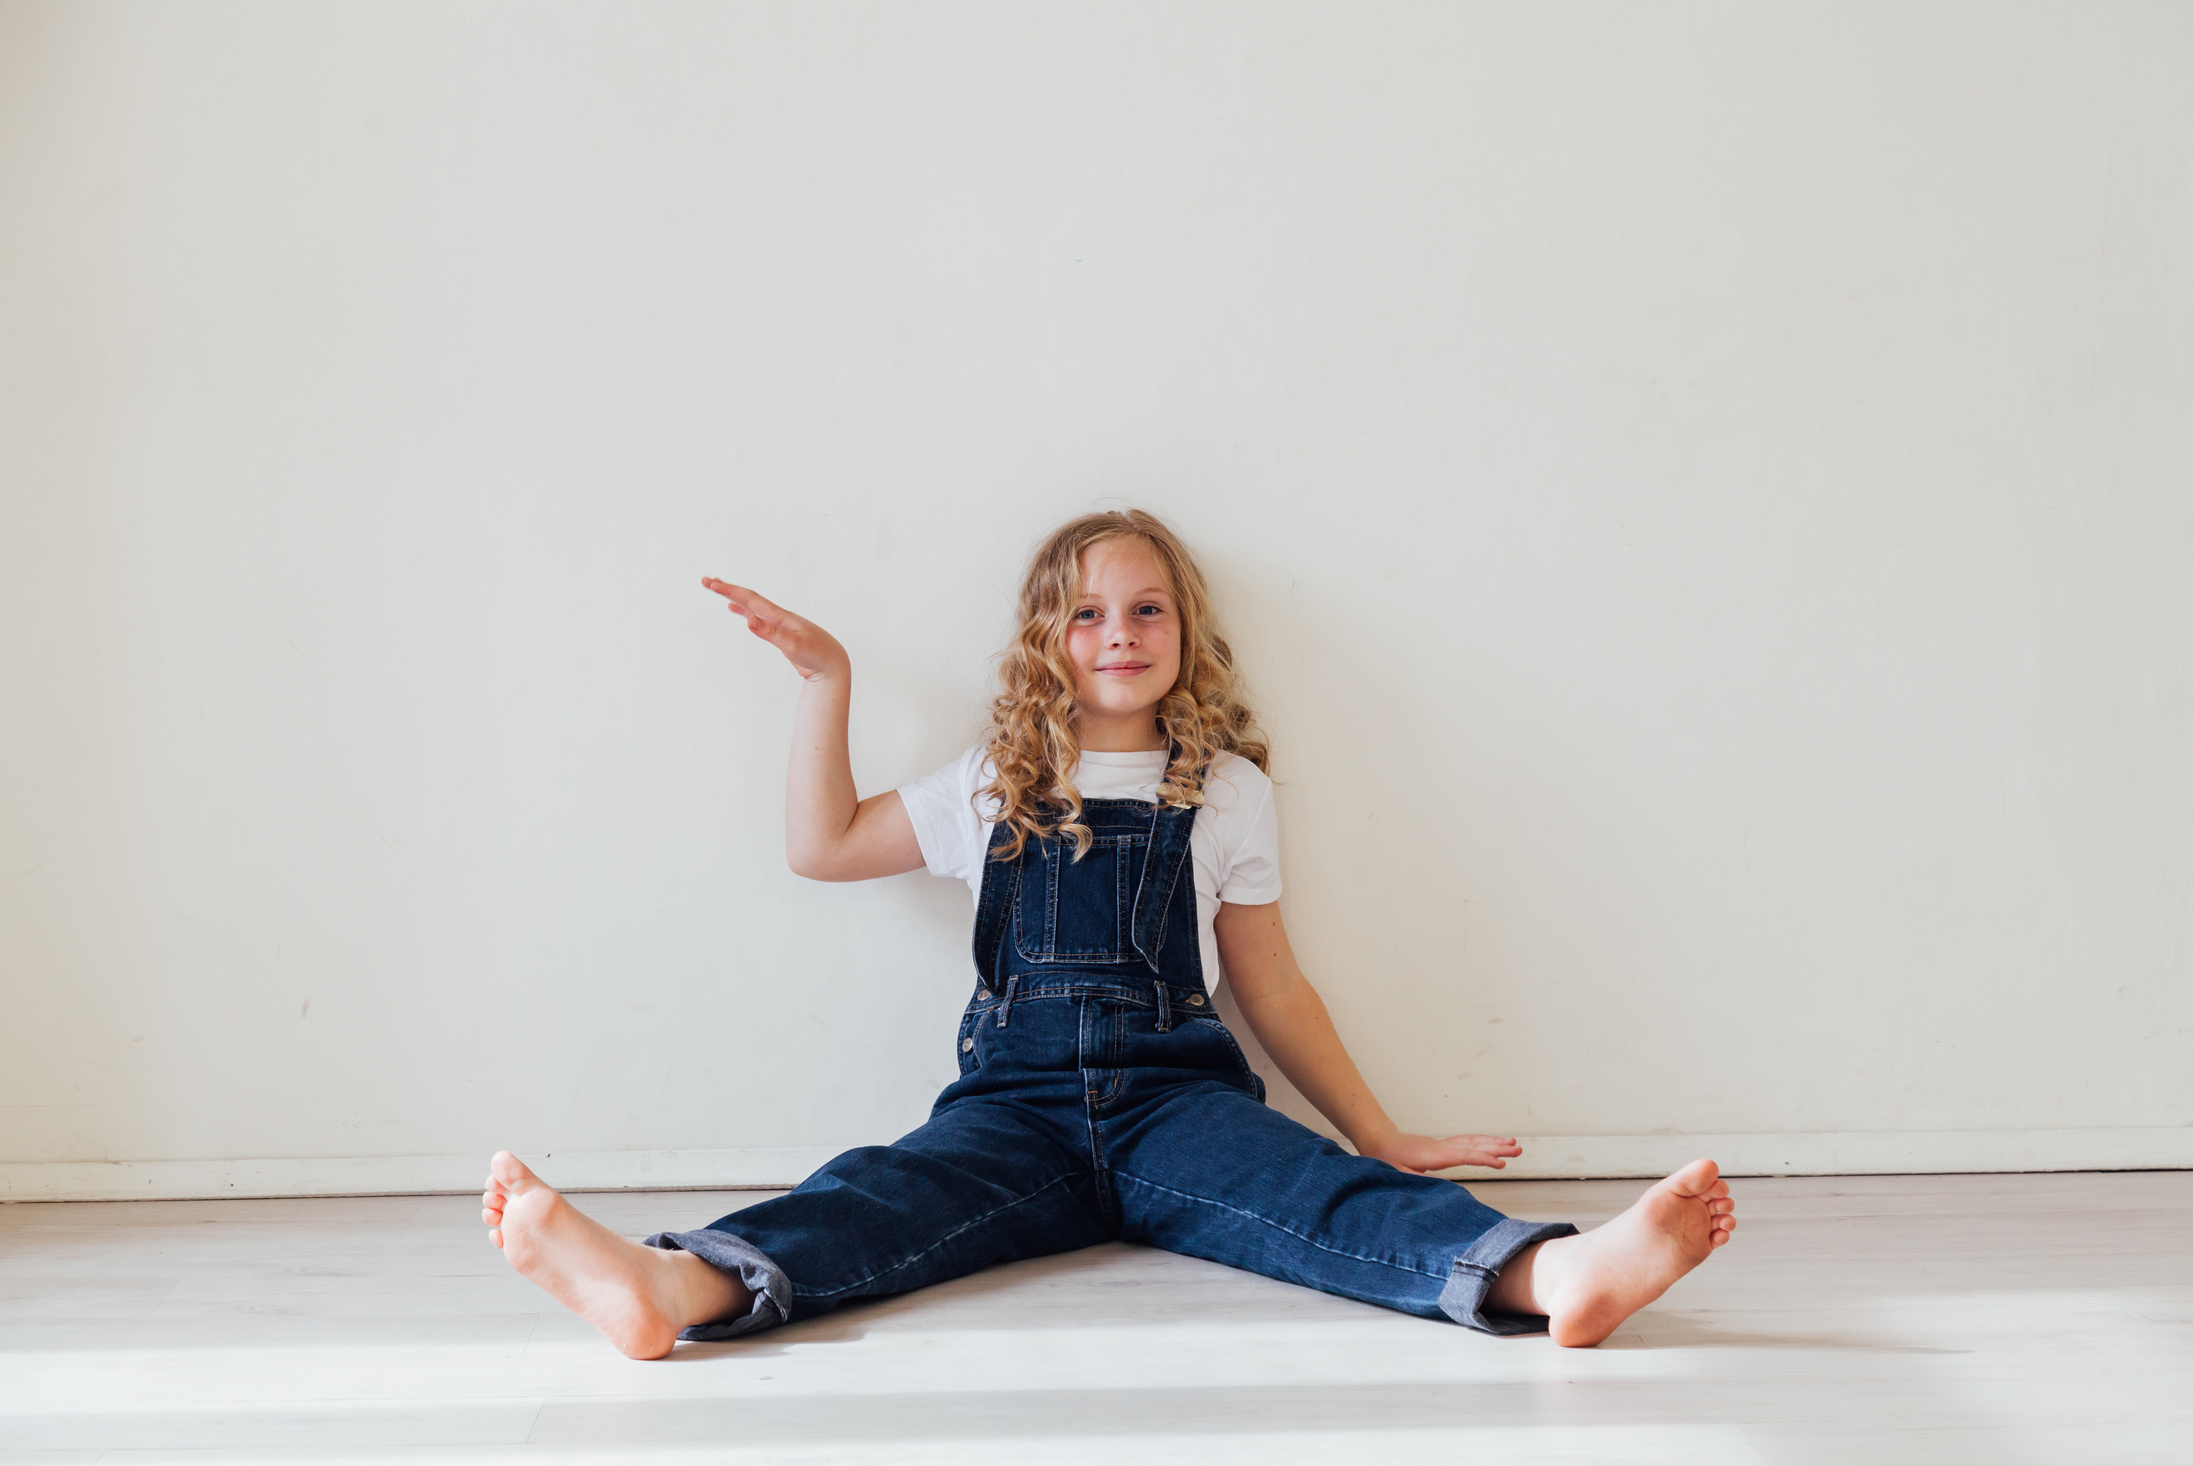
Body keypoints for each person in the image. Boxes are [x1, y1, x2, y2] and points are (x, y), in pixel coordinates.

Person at [481, 509, 1736, 1359]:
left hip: (1174, 1107)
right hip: (1011, 1109)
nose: (1119, 634)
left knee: (1328, 1199)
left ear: (1184, 631)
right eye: (1087, 616)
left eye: (1145, 610)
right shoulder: (996, 777)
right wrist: (828, 684)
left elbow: (1274, 982)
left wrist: (1378, 1131)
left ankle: (1551, 1277)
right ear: (1049, 643)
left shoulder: (1227, 789)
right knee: (872, 1200)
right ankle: (671, 1287)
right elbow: (822, 848)